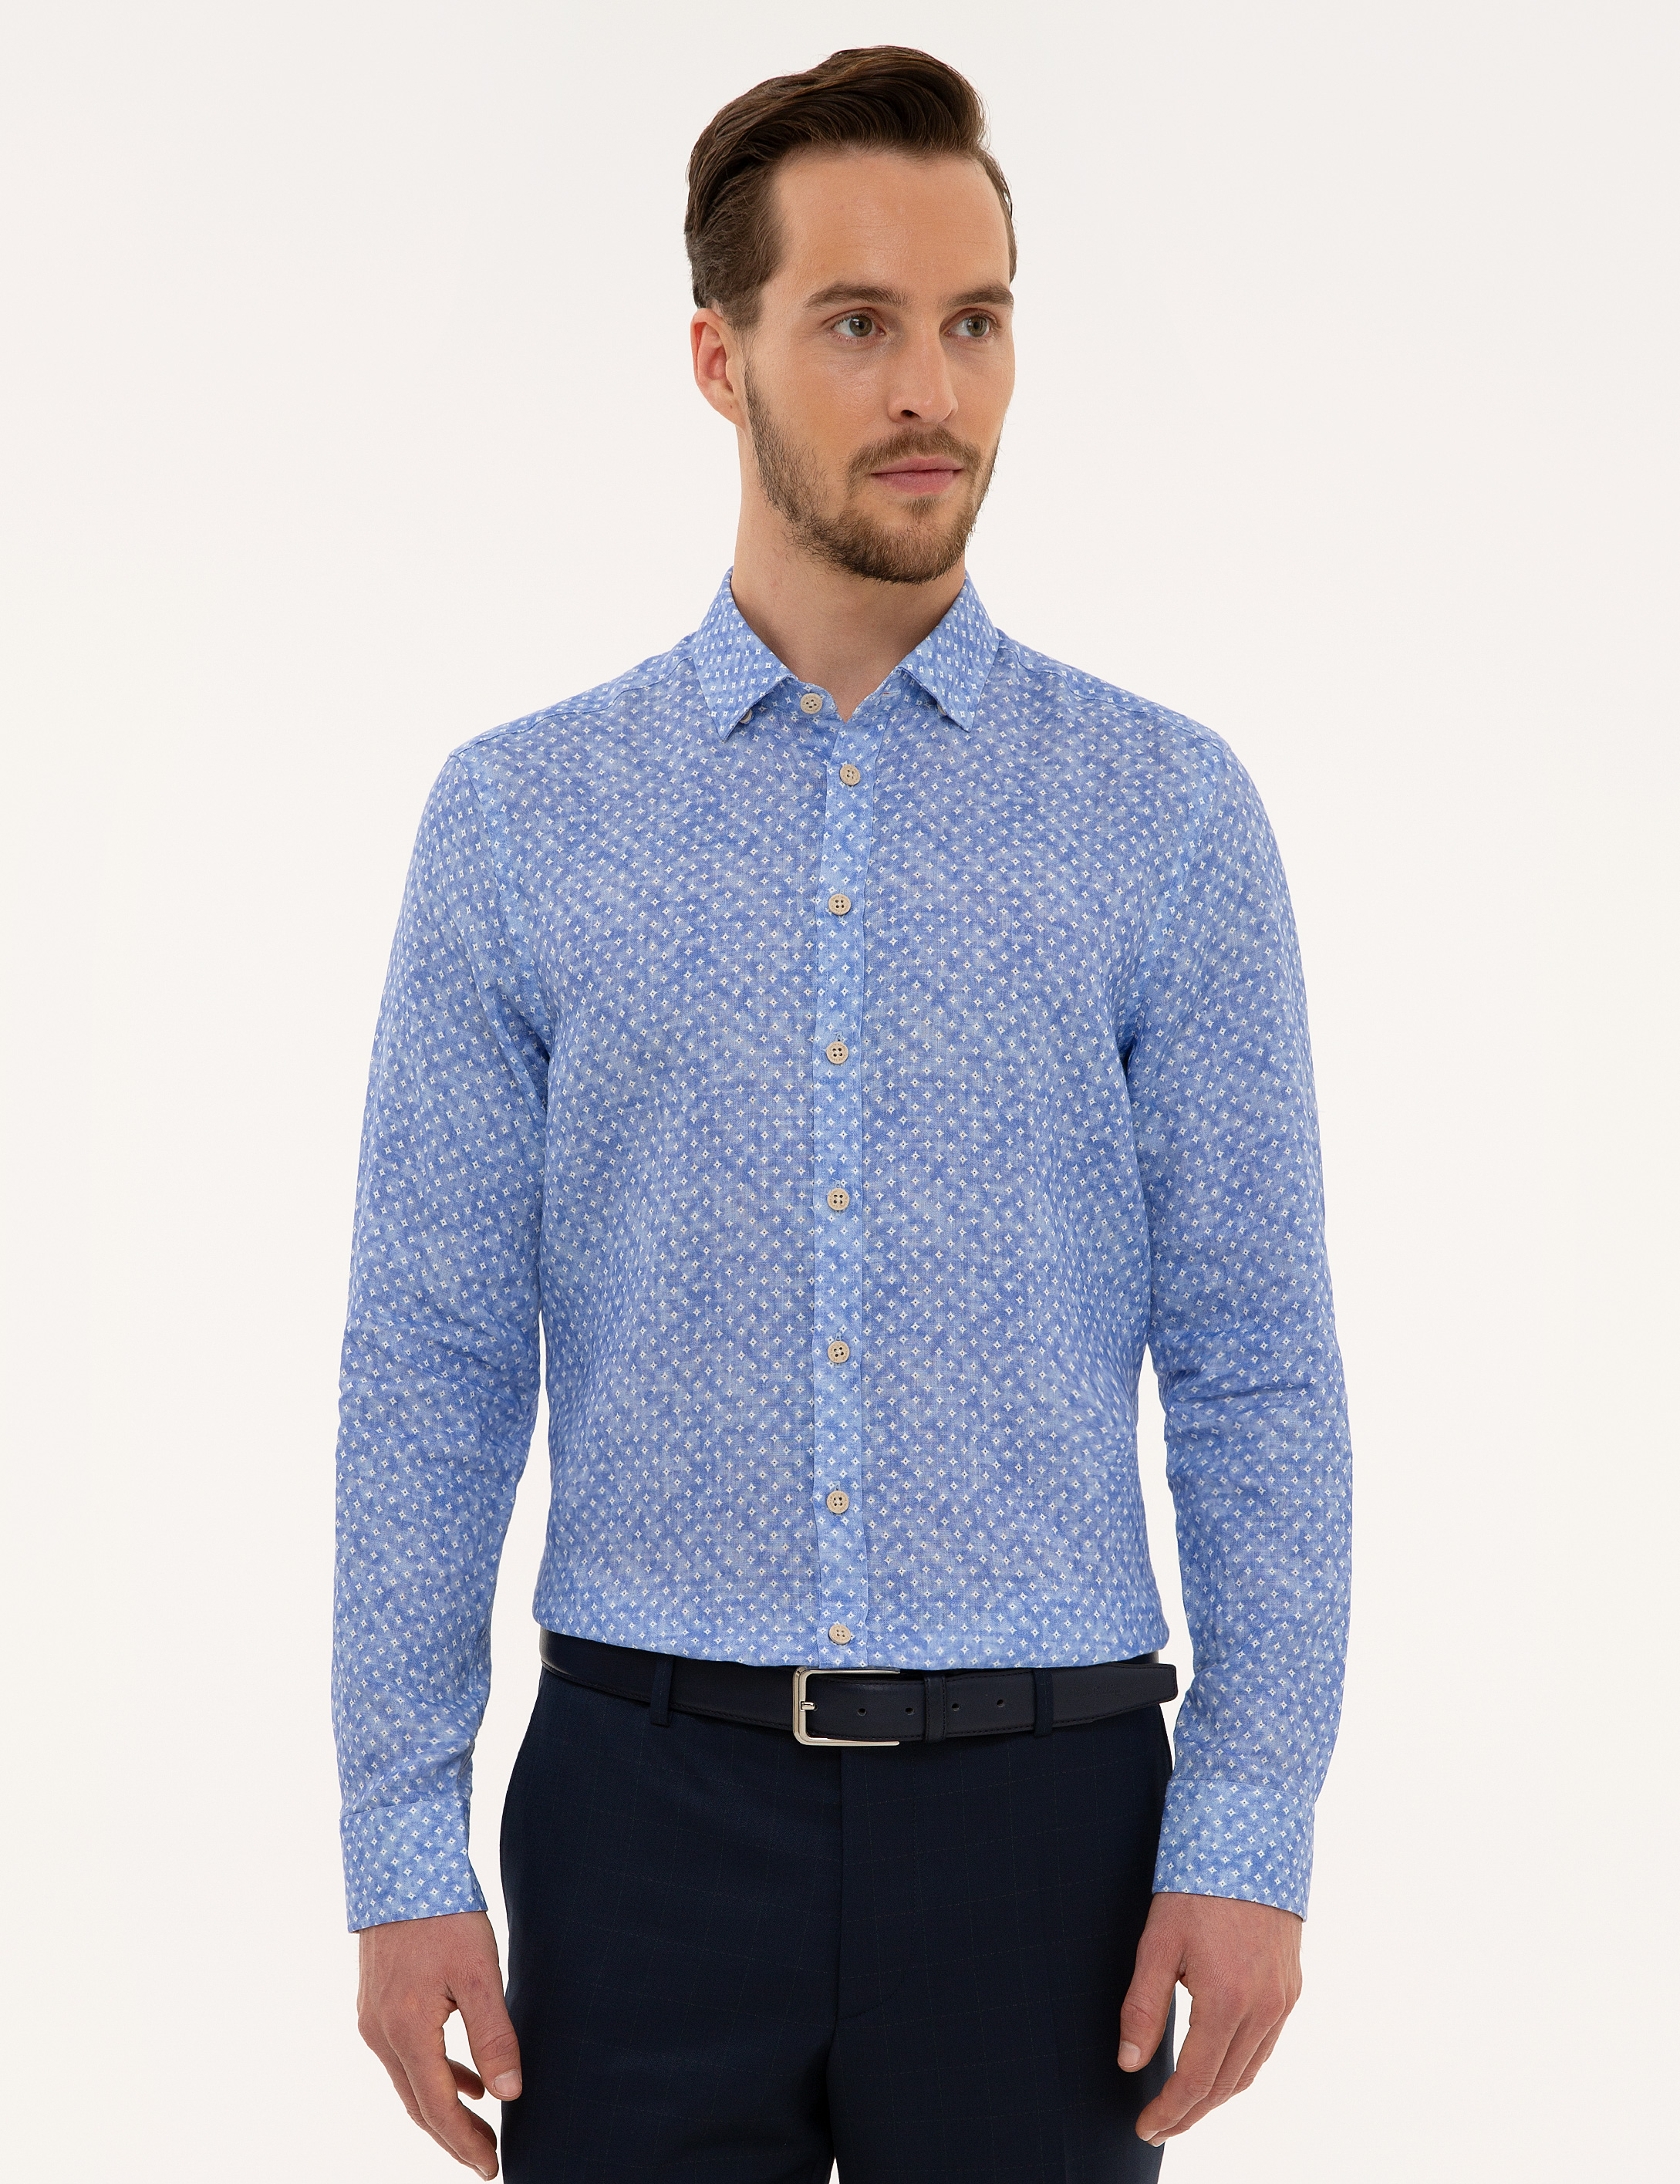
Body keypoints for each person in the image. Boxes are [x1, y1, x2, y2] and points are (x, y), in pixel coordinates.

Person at [334, 44, 1351, 2184]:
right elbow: (431, 1362)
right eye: (859, 323)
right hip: (639, 1820)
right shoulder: (520, 822)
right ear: (719, 358)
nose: (930, 391)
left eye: (974, 322)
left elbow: (1254, 1356)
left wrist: (1250, 1821)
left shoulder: (1166, 818)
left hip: (1053, 1835)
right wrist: (399, 1841)